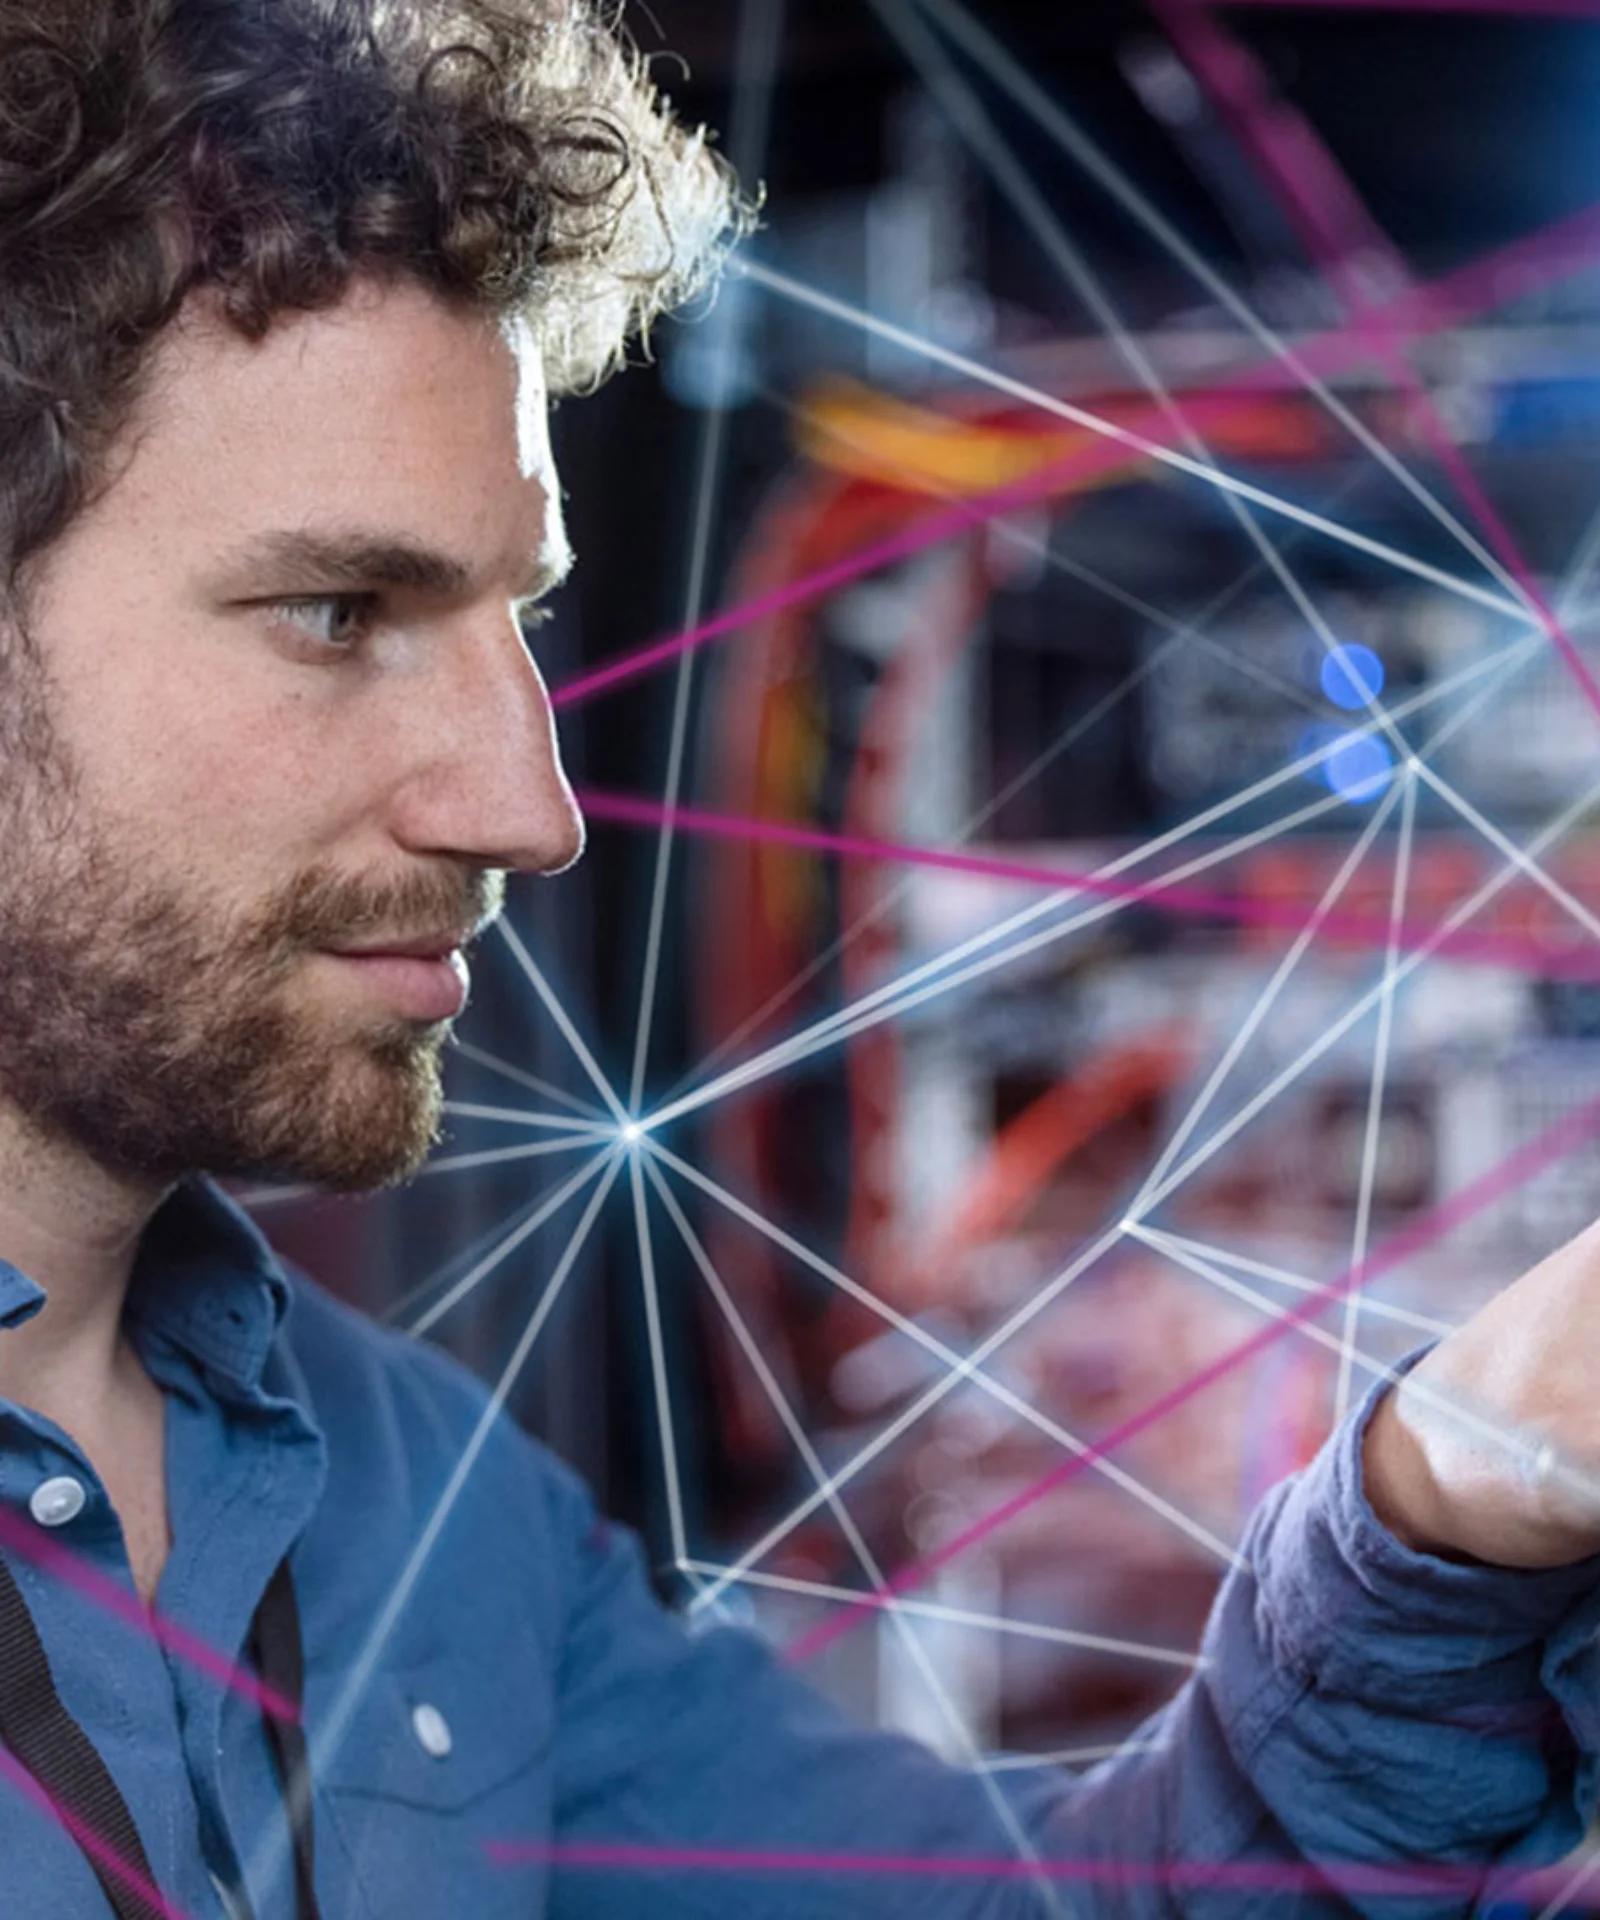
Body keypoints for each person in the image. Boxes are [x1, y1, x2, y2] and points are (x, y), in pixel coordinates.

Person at [0, 1, 1596, 1915]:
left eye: (518, 621)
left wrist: (1448, 1493)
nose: (530, 809)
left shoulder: (416, 1502)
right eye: (340, 613)